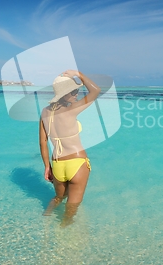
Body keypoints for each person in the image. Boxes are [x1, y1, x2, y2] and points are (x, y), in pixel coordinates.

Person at [39, 70, 101, 227]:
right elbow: (96, 91)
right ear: (63, 93)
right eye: (73, 91)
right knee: (72, 208)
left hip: (57, 165)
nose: (77, 93)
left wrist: (47, 167)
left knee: (58, 198)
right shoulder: (72, 108)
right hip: (77, 163)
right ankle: (65, 233)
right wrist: (79, 74)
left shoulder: (45, 112)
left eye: (77, 90)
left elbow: (43, 142)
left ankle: (45, 219)